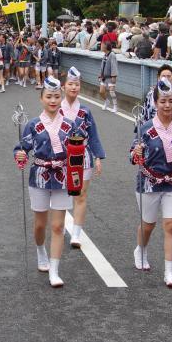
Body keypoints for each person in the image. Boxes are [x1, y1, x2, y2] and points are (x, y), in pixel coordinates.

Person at [14, 76, 75, 287]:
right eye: (49, 97)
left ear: (61, 98)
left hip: (62, 176)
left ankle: (55, 270)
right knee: (40, 224)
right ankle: (41, 250)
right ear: (41, 99)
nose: (53, 100)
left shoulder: (70, 125)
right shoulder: (33, 125)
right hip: (39, 175)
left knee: (58, 226)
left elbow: (78, 149)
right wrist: (21, 155)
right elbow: (21, 148)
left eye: (57, 97)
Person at [131, 80, 172, 288]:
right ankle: (141, 249)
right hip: (148, 182)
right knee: (148, 224)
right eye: (163, 101)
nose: (167, 105)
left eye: (171, 101)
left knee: (171, 225)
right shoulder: (144, 128)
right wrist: (136, 153)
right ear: (155, 103)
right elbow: (132, 155)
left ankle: (170, 272)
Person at [60, 67, 105, 249]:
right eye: (70, 84)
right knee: (62, 194)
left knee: (80, 195)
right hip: (61, 156)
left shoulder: (85, 111)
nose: (73, 87)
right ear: (63, 87)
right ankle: (59, 226)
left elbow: (93, 135)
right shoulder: (56, 108)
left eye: (76, 84)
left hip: (83, 156)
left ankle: (77, 233)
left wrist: (98, 157)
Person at [98, 41, 118, 111]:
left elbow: (114, 66)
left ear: (106, 47)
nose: (101, 46)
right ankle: (106, 101)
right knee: (101, 91)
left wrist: (113, 76)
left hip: (110, 76)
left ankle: (115, 106)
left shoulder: (112, 55)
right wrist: (100, 75)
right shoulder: (104, 55)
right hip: (104, 76)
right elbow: (102, 66)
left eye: (102, 45)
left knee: (112, 92)